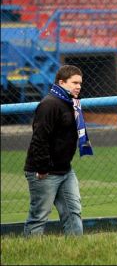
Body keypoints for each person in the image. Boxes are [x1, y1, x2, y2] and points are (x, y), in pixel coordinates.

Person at [23, 65, 93, 236]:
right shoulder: (49, 104)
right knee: (39, 216)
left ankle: (76, 252)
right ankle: (31, 253)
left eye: (80, 83)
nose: (78, 86)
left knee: (73, 212)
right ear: (61, 82)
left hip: (65, 170)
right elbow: (39, 139)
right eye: (74, 82)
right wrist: (42, 168)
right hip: (44, 172)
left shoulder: (72, 103)